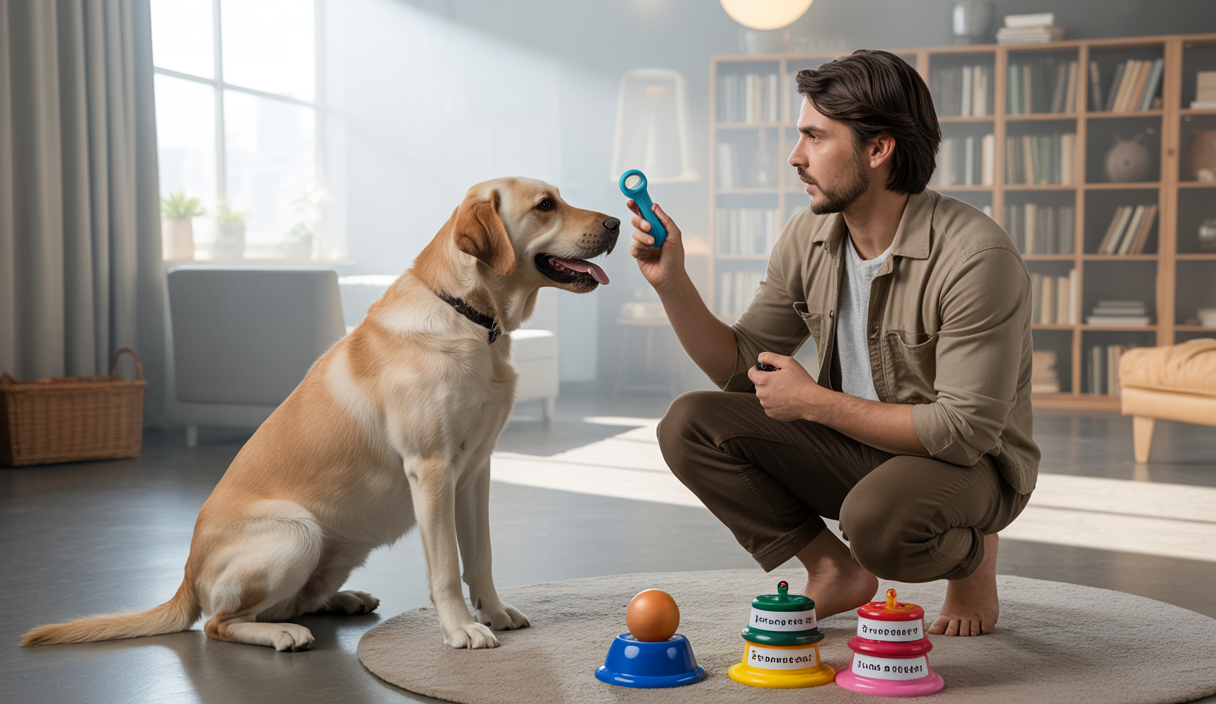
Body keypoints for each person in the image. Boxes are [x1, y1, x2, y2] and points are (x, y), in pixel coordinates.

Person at [627, 49, 1038, 637]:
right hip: (860, 446)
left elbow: (964, 431)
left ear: (878, 148)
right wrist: (673, 283)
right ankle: (831, 568)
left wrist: (816, 404)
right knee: (690, 421)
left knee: (878, 525)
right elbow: (743, 367)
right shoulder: (810, 235)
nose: (795, 157)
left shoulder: (977, 257)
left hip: (969, 467)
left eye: (815, 137)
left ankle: (973, 560)